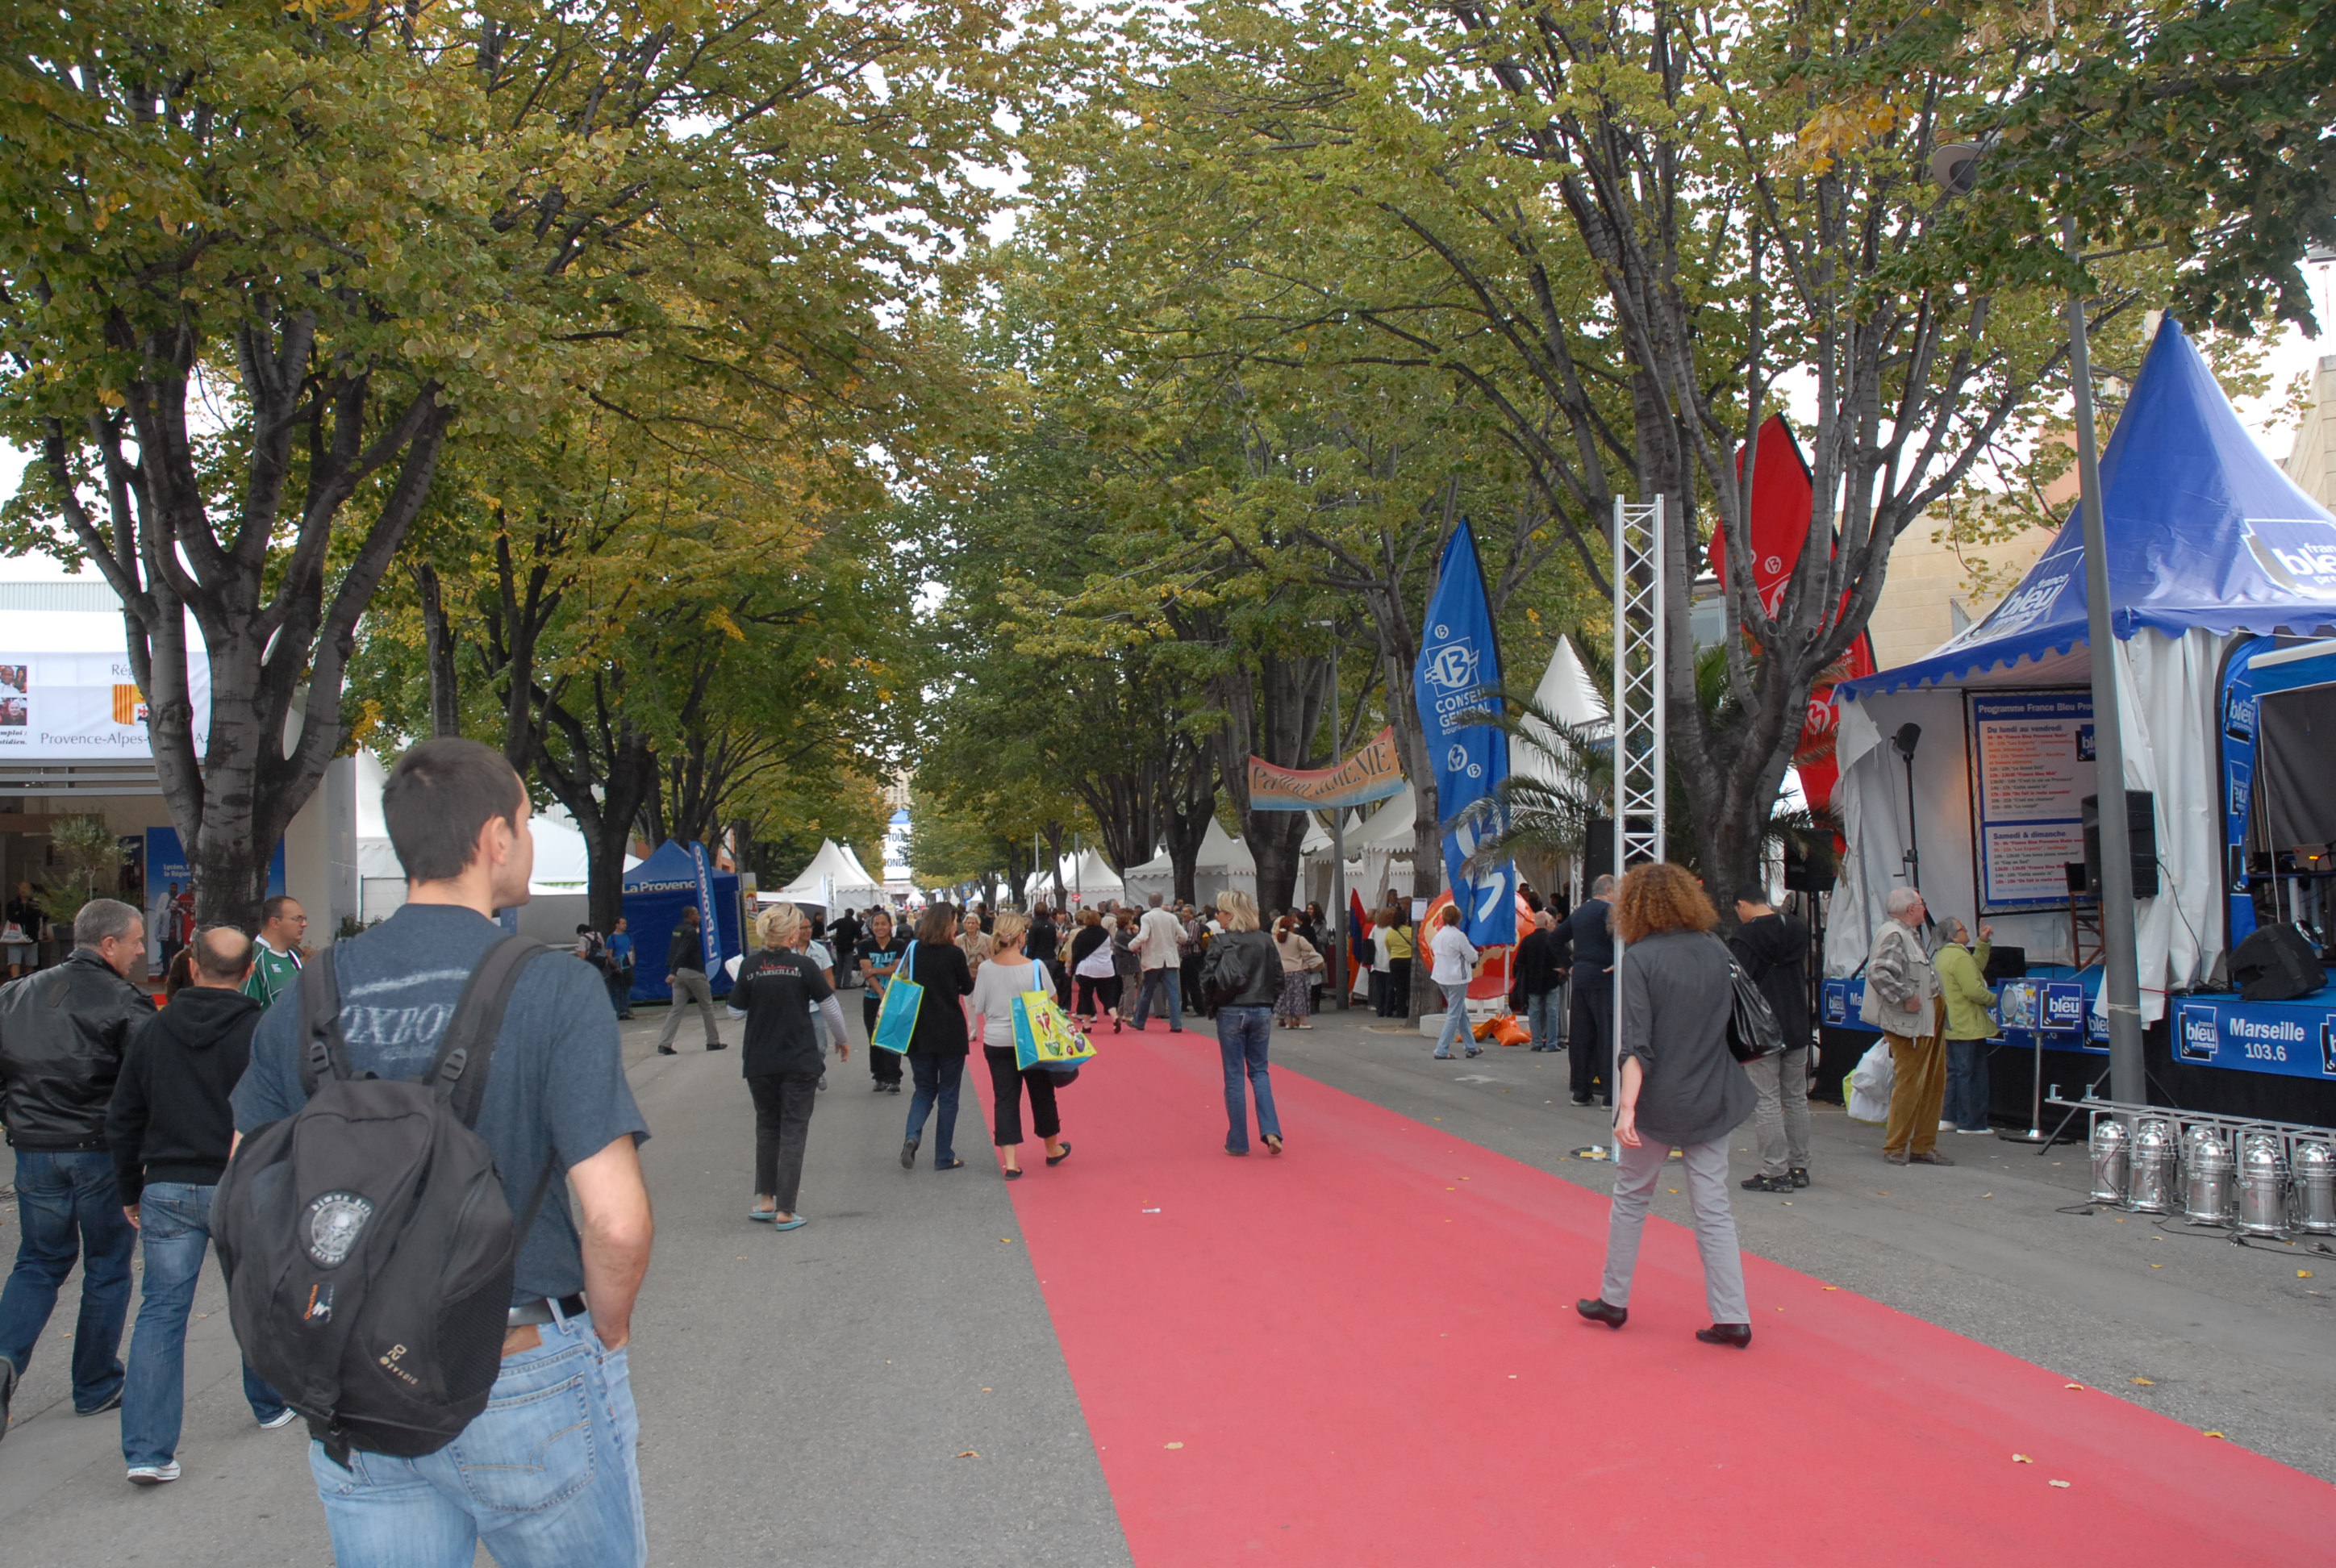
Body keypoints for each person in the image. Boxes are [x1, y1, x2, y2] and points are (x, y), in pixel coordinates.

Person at [232, 736, 653, 1566]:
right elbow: (616, 1220)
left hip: (353, 1371)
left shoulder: (308, 994)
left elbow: (248, 1191)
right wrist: (603, 1334)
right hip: (521, 1356)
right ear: (495, 838)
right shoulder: (553, 984)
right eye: (528, 823)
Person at [108, 925, 294, 1485]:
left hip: (166, 1186)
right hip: (239, 1185)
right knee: (252, 1296)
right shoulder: (262, 1033)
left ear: (191, 968)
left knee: (161, 1313)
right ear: (248, 975)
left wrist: (128, 1189)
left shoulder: (153, 1030)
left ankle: (147, 1450)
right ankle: (269, 1403)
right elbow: (287, 1116)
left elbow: (123, 1116)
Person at [1575, 863, 1755, 1349]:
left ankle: (1613, 1299)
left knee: (1632, 1198)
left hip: (1659, 1098)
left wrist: (1626, 1107)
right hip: (1715, 1092)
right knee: (1713, 1208)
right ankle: (1733, 1315)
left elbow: (1636, 1044)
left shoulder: (1640, 958)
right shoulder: (1716, 949)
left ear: (1634, 906)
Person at [0, 899, 152, 1435]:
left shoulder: (15, 993)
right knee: (108, 1265)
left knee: (38, 1260)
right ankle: (94, 1384)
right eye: (135, 941)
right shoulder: (124, 1001)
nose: (141, 951)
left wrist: (15, 1119)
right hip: (98, 1150)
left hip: (36, 1145)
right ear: (108, 944)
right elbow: (145, 1083)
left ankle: (6, 1357)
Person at [730, 905, 850, 1230]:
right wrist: (842, 1040)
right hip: (799, 1059)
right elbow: (830, 1007)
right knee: (794, 1131)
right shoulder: (804, 966)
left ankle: (766, 1200)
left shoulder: (750, 966)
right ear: (792, 934)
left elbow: (735, 1013)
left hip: (759, 1060)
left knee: (768, 1127)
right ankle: (787, 1210)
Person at [967, 912, 1073, 1178]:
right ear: (1021, 937)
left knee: (1005, 1098)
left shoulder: (987, 969)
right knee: (1042, 1095)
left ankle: (1011, 1162)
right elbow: (1052, 999)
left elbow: (978, 1005)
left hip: (997, 1040)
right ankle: (1052, 1149)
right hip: (1032, 1041)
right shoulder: (1034, 967)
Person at [1729, 886, 1815, 1192]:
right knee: (1795, 1097)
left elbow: (1738, 983)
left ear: (1743, 904)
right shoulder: (1797, 927)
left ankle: (1774, 1170)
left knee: (1766, 1099)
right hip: (1796, 1020)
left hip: (1761, 1026)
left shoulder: (1745, 937)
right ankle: (1799, 1166)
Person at [1862, 886, 1951, 1166]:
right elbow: (1877, 971)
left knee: (1933, 1083)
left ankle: (1924, 1145)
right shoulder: (1894, 934)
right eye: (1921, 904)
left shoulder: (1907, 933)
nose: (1925, 908)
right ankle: (1896, 1146)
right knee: (1911, 1083)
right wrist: (1905, 996)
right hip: (1910, 1020)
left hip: (1927, 1016)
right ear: (1911, 908)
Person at [1201, 890, 1284, 1155]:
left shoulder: (1220, 941)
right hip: (1261, 1008)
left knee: (1234, 1075)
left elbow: (1206, 978)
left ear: (1231, 915)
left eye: (1221, 911)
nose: (1218, 916)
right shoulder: (1265, 940)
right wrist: (1268, 1002)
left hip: (1231, 1011)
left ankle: (1238, 1140)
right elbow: (1279, 978)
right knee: (1260, 1071)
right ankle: (1271, 1130)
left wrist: (1213, 1000)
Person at [897, 904, 976, 1171]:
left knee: (924, 1089)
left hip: (918, 1030)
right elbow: (967, 987)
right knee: (949, 1094)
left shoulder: (914, 951)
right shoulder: (954, 953)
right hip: (950, 1030)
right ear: (947, 924)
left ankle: (912, 1135)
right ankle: (944, 1155)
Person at [1556, 876, 1618, 1104]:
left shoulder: (1580, 912)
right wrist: (1618, 961)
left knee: (1581, 1035)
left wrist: (1570, 965)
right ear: (1609, 890)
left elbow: (1555, 938)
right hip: (1605, 976)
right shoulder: (1609, 912)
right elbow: (1621, 941)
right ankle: (1611, 1094)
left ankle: (1580, 1091)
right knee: (1607, 1034)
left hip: (1581, 976)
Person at [1934, 915, 1998, 1136]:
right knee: (1972, 1074)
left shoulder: (1943, 956)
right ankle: (1971, 1123)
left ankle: (1947, 1117)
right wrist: (1996, 1000)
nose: (1966, 930)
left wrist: (1982, 942)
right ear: (1953, 935)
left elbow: (1975, 967)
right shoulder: (1959, 958)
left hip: (1952, 1023)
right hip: (1967, 1024)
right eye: (1962, 929)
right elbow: (1973, 990)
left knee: (1954, 1073)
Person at [656, 904, 725, 1056]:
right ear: (691, 916)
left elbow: (674, 950)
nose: (699, 917)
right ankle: (713, 1041)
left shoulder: (677, 930)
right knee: (706, 1006)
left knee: (676, 1009)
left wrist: (673, 971)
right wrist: (674, 971)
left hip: (678, 973)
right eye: (697, 914)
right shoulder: (690, 932)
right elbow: (684, 950)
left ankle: (665, 1043)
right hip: (692, 971)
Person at [857, 910, 907, 1093]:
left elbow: (897, 969)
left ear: (890, 926)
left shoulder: (899, 944)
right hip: (872, 997)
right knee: (875, 1037)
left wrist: (875, 971)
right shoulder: (865, 945)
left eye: (883, 924)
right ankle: (879, 1075)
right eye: (876, 924)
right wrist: (879, 991)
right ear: (871, 927)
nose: (880, 927)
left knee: (892, 1036)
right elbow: (865, 971)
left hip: (894, 996)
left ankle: (894, 1078)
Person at [1429, 906, 1480, 1060]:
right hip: (1457, 978)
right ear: (1458, 919)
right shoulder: (1459, 936)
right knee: (1454, 1014)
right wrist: (1477, 954)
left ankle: (1471, 1046)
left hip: (1441, 976)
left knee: (1460, 1012)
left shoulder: (1438, 935)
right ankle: (1441, 1049)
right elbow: (1472, 957)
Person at [1130, 894, 1186, 1032]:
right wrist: (1174, 942)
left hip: (1153, 959)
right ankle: (1176, 1025)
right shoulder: (1172, 917)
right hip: (1170, 959)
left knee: (1147, 991)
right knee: (1173, 993)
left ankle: (1139, 1021)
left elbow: (1143, 936)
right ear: (1162, 902)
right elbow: (1184, 936)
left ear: (1149, 903)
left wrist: (1131, 946)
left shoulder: (1147, 917)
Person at [1515, 909, 1568, 1052]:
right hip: (1551, 980)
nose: (1552, 924)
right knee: (1552, 1012)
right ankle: (1551, 1042)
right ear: (1546, 923)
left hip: (1532, 982)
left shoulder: (1527, 940)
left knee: (1534, 1012)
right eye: (1551, 921)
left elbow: (1519, 963)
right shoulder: (1553, 939)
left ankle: (1536, 1042)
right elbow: (1563, 959)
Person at [242, 894, 306, 1008]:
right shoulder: (254, 959)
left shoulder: (294, 957)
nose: (304, 924)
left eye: (304, 919)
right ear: (275, 922)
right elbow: (246, 1012)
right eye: (298, 919)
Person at [1070, 907, 1119, 1028]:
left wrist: (1072, 969)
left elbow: (1076, 953)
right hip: (1106, 969)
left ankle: (1087, 1025)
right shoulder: (1105, 934)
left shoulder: (1082, 935)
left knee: (1086, 996)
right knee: (1106, 995)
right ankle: (1114, 1015)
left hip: (1087, 969)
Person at [1272, 915, 1323, 1028]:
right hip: (1298, 971)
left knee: (1287, 998)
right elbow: (1310, 950)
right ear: (1291, 926)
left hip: (1283, 971)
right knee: (1300, 997)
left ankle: (1289, 1022)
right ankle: (1302, 1022)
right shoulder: (1298, 939)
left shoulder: (1275, 940)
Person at [1378, 904, 1415, 1017]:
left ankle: (1400, 1011)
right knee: (1409, 987)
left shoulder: (1390, 933)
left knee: (1399, 987)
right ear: (1405, 919)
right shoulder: (1411, 931)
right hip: (1408, 960)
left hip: (1395, 961)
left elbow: (1388, 946)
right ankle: (1410, 1010)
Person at [1109, 909, 1142, 1027]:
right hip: (1126, 965)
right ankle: (1128, 1013)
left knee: (1126, 990)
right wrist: (1136, 934)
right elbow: (1134, 945)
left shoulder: (1122, 934)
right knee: (1130, 990)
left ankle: (1120, 1012)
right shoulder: (1121, 935)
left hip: (1126, 964)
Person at [5, 882, 44, 976]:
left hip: (31, 938)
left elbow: (36, 917)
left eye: (26, 888)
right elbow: (12, 918)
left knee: (30, 964)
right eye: (21, 887)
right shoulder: (12, 904)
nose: (23, 890)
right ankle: (15, 983)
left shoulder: (35, 904)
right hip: (15, 938)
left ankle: (27, 985)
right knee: (14, 962)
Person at [606, 915, 636, 1019]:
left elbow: (631, 949)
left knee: (626, 989)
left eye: (625, 923)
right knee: (617, 990)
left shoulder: (628, 936)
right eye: (623, 923)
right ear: (617, 925)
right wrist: (616, 966)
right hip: (618, 966)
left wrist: (632, 960)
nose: (625, 925)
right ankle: (618, 1011)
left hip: (627, 965)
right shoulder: (612, 938)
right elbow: (609, 954)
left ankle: (625, 1011)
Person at [957, 907, 995, 982]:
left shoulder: (987, 939)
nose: (971, 925)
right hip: (966, 976)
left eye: (973, 923)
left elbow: (992, 956)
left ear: (978, 925)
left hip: (985, 975)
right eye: (968, 923)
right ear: (964, 925)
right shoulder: (959, 939)